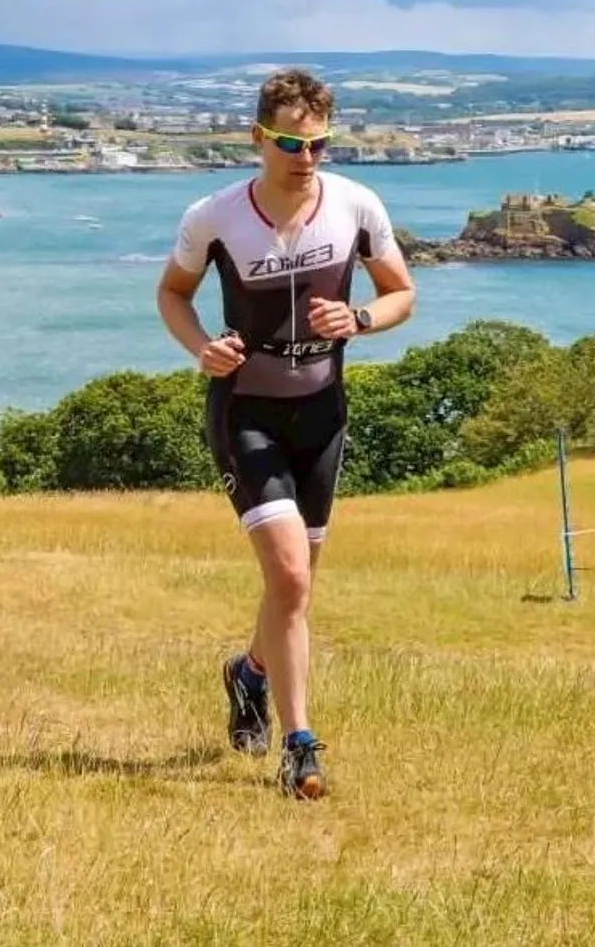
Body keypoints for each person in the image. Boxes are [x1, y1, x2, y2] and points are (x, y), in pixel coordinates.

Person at [156, 68, 416, 800]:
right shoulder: (214, 216)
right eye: (291, 143)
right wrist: (200, 346)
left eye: (319, 143)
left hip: (323, 411)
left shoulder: (357, 205)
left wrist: (361, 319)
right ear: (258, 139)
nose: (306, 157)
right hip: (247, 411)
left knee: (294, 587)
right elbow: (172, 294)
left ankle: (250, 673)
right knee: (292, 577)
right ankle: (301, 747)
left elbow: (401, 291)